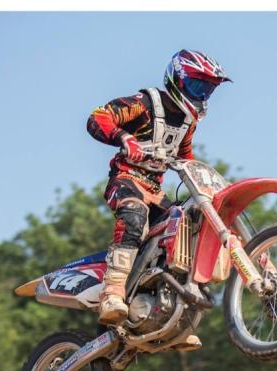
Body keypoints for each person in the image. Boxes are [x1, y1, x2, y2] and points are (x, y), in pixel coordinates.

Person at [87, 49, 231, 326]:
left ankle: (174, 313)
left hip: (156, 190)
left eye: (208, 90)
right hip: (127, 180)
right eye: (197, 86)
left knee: (187, 227)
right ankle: (113, 293)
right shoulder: (145, 103)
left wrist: (200, 182)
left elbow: (185, 158)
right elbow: (98, 117)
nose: (201, 95)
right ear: (178, 80)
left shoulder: (187, 124)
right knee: (133, 217)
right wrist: (124, 138)